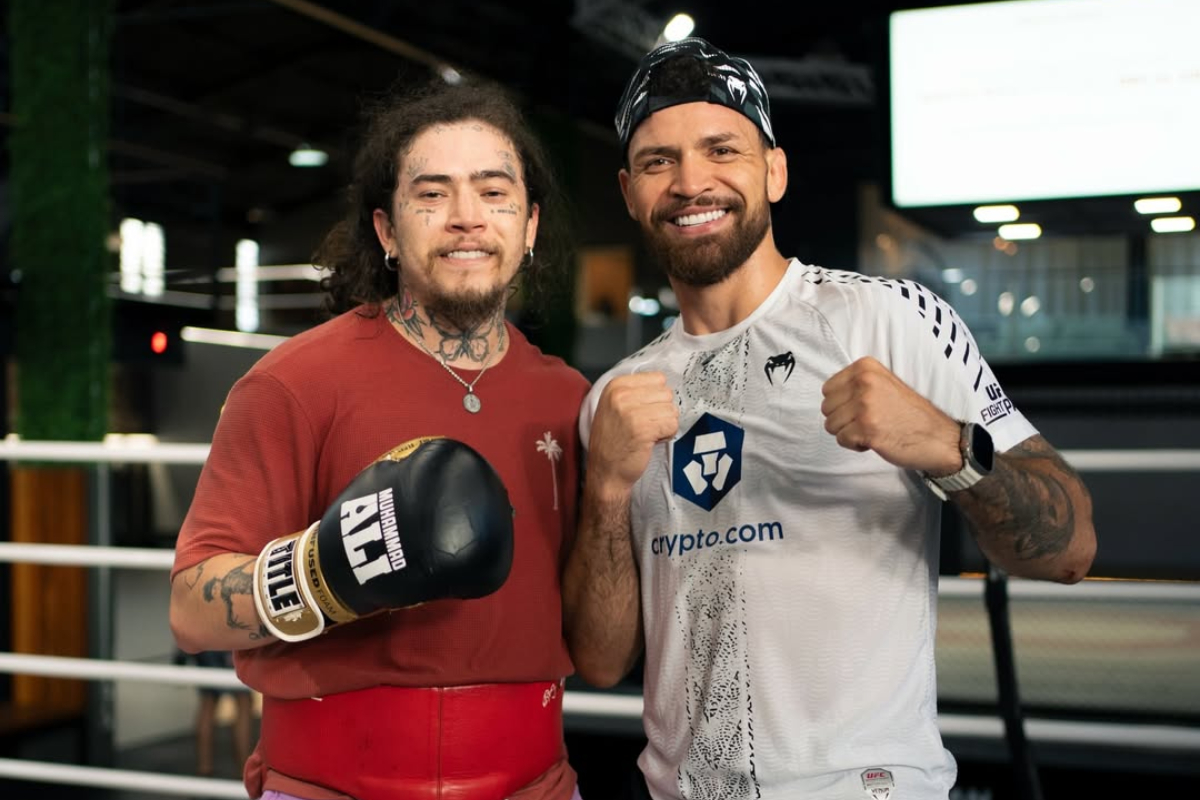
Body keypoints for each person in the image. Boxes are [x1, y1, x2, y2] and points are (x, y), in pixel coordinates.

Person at [562, 38, 1097, 800]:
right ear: (627, 190)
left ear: (774, 171)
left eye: (722, 149)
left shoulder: (890, 321)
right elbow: (603, 662)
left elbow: (1071, 547)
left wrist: (949, 447)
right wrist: (607, 494)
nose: (690, 182)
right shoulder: (616, 394)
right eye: (658, 161)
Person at [169, 76, 590, 800]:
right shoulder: (293, 384)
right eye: (432, 194)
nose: (465, 218)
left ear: (529, 227)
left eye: (494, 192)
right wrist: (324, 573)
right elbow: (190, 609)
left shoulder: (570, 401)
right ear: (387, 230)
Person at [173, 648, 254, 777]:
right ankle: (244, 772)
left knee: (208, 700)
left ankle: (204, 770)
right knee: (243, 701)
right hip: (229, 638)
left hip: (204, 639)